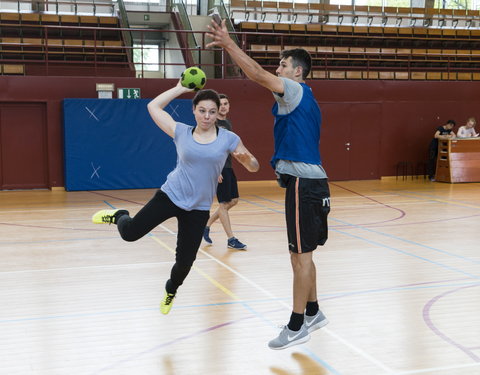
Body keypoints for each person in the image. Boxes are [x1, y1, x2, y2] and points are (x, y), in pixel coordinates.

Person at [207, 20, 330, 350]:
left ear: (297, 73)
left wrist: (229, 44)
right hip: (307, 183)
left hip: (306, 185)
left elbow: (257, 76)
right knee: (303, 256)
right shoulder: (306, 96)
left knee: (300, 258)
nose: (278, 68)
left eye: (283, 64)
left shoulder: (294, 90)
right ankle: (314, 313)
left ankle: (296, 326)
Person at [91, 82, 259, 315]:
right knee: (129, 233)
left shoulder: (229, 138)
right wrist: (180, 87)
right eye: (202, 110)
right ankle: (119, 215)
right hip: (170, 195)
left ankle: (171, 290)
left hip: (198, 208)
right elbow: (153, 106)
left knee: (184, 264)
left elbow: (254, 166)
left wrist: (246, 161)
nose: (207, 116)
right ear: (194, 110)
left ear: (218, 112)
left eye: (212, 111)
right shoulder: (180, 131)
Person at [203, 94, 247, 250]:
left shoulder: (227, 123)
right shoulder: (213, 124)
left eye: (226, 103)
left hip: (228, 166)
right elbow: (208, 146)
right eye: (220, 104)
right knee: (223, 204)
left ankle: (206, 225)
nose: (223, 106)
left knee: (233, 201)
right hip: (219, 168)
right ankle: (231, 239)